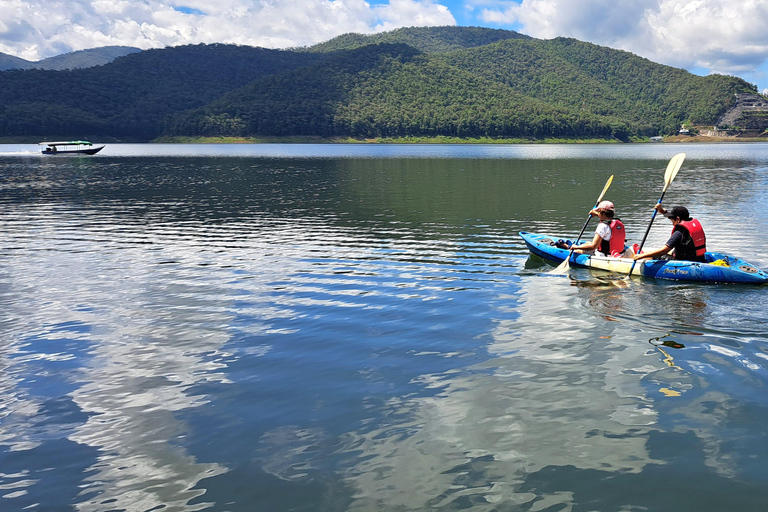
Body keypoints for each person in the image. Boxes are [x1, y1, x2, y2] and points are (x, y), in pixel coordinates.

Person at [632, 205, 707, 262]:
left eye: (672, 221)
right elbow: (673, 217)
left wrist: (641, 256)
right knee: (674, 250)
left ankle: (642, 255)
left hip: (683, 263)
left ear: (677, 219)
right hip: (699, 259)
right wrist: (662, 211)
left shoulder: (679, 233)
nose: (672, 224)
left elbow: (663, 251)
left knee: (658, 256)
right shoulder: (693, 226)